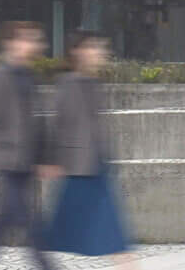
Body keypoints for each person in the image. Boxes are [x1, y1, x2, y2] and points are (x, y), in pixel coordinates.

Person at [40, 34, 134, 266]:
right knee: (73, 231)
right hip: (80, 167)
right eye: (93, 48)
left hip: (96, 165)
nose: (99, 53)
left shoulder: (92, 83)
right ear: (77, 52)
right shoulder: (69, 84)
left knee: (111, 232)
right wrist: (52, 159)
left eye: (101, 48)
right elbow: (57, 123)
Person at [0, 22, 53, 270]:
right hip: (7, 161)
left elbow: (37, 119)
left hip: (26, 160)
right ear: (11, 43)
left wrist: (42, 157)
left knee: (5, 219)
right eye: (28, 39)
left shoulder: (28, 75)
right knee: (27, 219)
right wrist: (1, 150)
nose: (34, 45)